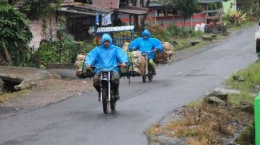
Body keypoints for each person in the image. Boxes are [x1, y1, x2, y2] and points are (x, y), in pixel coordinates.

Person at [85, 33, 128, 100]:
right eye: (105, 41)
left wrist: (123, 62)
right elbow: (91, 57)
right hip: (100, 69)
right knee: (95, 80)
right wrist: (88, 64)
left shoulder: (115, 49)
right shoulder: (97, 50)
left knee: (116, 79)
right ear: (102, 42)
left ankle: (115, 92)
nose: (106, 43)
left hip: (113, 69)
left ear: (110, 41)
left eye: (108, 41)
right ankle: (100, 92)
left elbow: (121, 55)